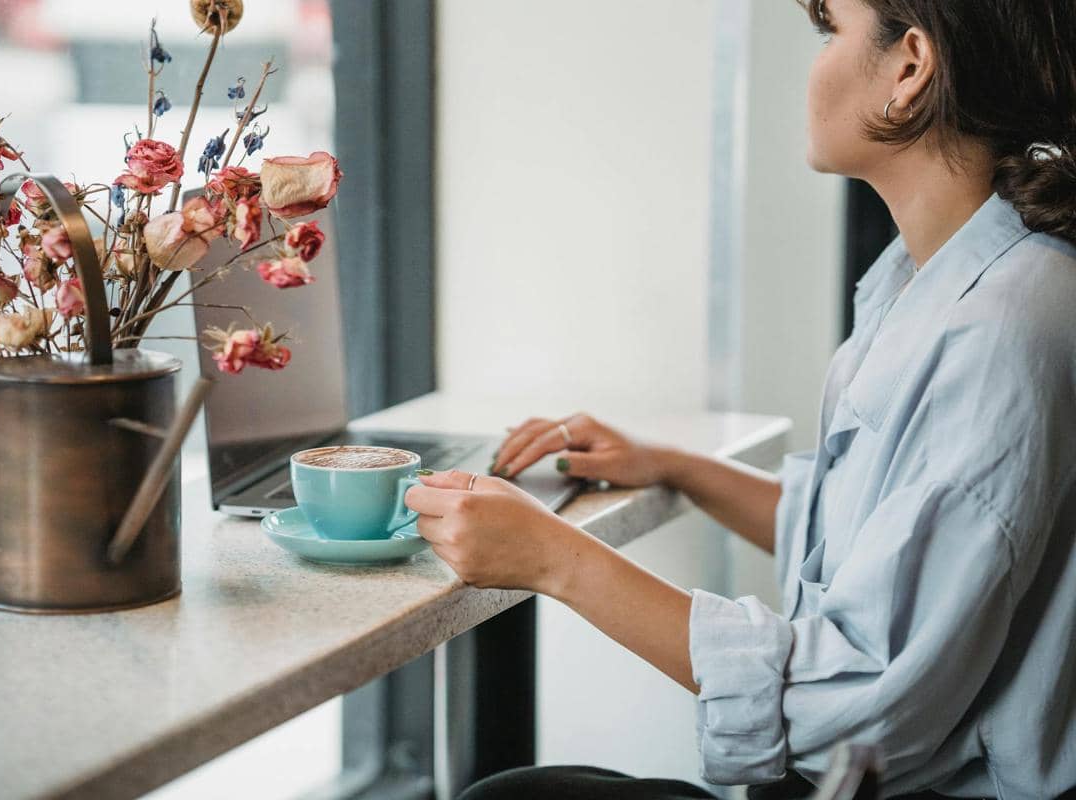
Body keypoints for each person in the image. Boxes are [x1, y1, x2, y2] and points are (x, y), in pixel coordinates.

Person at [404, 1, 1076, 797]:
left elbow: (857, 706)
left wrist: (556, 559)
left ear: (910, 66)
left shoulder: (997, 332)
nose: (814, 64)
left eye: (832, 33)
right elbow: (887, 551)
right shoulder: (947, 276)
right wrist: (675, 468)